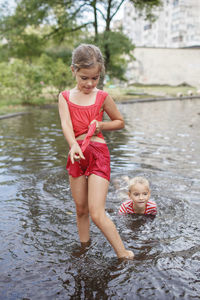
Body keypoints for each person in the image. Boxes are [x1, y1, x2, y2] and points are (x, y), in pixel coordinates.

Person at [58, 44, 134, 259]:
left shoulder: (102, 96)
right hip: (77, 154)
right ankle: (84, 248)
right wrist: (73, 144)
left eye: (95, 78)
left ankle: (123, 254)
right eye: (84, 78)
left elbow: (120, 122)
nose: (90, 83)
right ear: (73, 70)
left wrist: (101, 126)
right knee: (81, 209)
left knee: (97, 212)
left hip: (98, 155)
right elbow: (66, 124)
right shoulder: (64, 97)